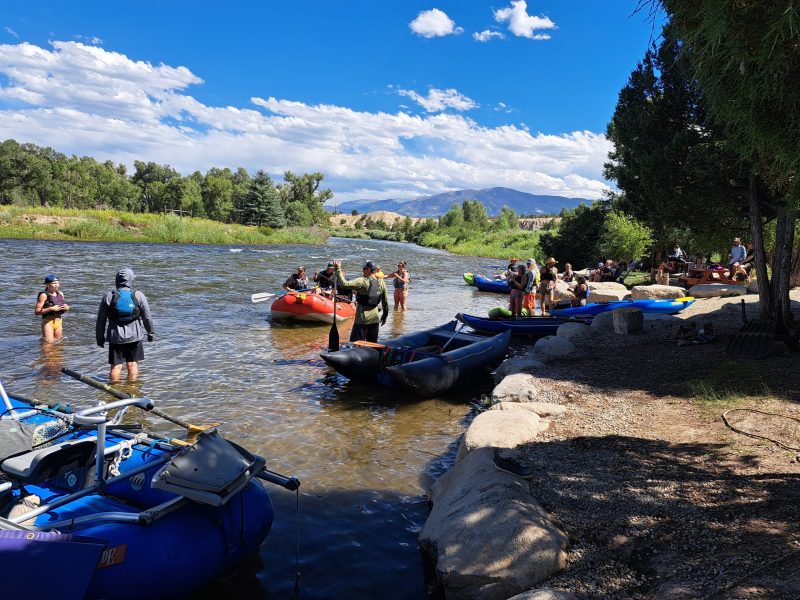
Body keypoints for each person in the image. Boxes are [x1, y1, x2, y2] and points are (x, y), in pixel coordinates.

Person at [95, 268, 155, 382]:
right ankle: (132, 389)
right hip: (135, 336)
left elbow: (101, 320)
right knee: (132, 365)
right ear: (131, 279)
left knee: (116, 366)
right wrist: (150, 333)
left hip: (115, 337)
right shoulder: (138, 295)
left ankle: (114, 391)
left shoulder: (109, 296)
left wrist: (100, 338)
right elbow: (147, 317)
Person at [332, 260, 389, 343]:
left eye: (364, 268)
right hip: (375, 319)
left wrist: (338, 268)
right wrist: (384, 316)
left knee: (355, 345)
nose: (362, 271)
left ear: (368, 270)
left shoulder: (362, 281)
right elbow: (385, 301)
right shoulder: (381, 282)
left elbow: (344, 284)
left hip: (362, 320)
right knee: (372, 345)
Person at [34, 274, 70, 343]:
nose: (56, 285)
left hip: (59, 322)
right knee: (49, 345)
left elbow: (62, 306)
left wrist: (66, 308)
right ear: (47, 284)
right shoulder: (43, 295)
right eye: (53, 283)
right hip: (48, 322)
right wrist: (50, 309)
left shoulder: (61, 294)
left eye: (58, 283)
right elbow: (37, 312)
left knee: (58, 344)